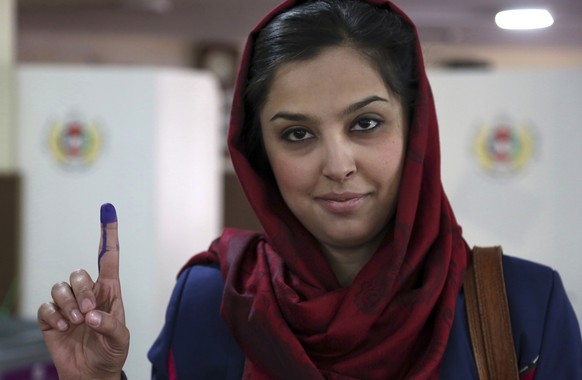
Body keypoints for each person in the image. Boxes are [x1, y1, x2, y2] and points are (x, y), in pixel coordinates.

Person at [37, 0, 582, 379]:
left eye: (365, 124)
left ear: (416, 128)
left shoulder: (523, 306)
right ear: (260, 156)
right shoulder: (214, 301)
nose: (338, 164)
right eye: (297, 134)